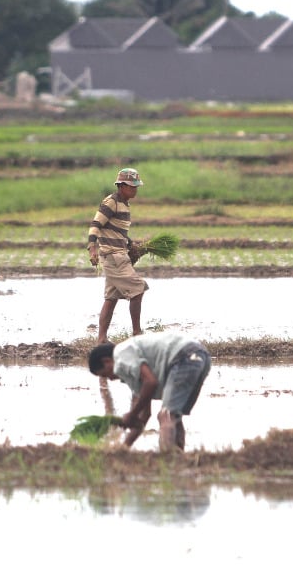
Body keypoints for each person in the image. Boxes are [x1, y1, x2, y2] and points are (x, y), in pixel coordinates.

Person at [87, 331, 212, 452]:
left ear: (107, 361)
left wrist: (132, 414)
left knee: (166, 415)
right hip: (200, 357)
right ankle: (178, 458)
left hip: (185, 356)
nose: (110, 379)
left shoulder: (121, 355)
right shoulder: (133, 372)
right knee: (174, 416)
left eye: (105, 374)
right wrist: (124, 447)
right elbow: (145, 415)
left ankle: (168, 459)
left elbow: (151, 382)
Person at [87, 167, 148, 344]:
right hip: (113, 257)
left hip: (118, 254)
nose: (135, 190)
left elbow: (115, 230)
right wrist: (92, 248)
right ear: (121, 186)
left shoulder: (124, 203)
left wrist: (130, 243)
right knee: (138, 289)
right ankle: (137, 334)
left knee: (111, 298)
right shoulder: (111, 202)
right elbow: (95, 225)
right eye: (132, 186)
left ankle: (101, 339)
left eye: (136, 186)